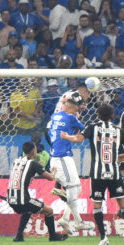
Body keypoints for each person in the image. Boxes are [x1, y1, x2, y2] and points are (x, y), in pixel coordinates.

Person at [60, 105, 124, 245]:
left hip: (97, 174)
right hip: (114, 173)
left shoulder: (93, 127)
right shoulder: (118, 130)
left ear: (97, 114)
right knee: (123, 203)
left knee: (97, 204)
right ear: (112, 115)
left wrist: (66, 136)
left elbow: (78, 139)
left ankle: (103, 237)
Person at [48, 97, 92, 234]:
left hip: (59, 157)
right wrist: (77, 117)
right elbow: (83, 130)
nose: (76, 112)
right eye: (75, 110)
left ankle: (65, 219)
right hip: (62, 158)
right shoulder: (71, 117)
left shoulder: (54, 116)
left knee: (77, 189)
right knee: (74, 188)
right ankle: (79, 222)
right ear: (70, 108)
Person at [8, 141, 68, 243]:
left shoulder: (16, 161)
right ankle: (53, 236)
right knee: (49, 211)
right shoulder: (33, 164)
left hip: (10, 199)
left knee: (27, 211)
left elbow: (25, 175)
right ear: (34, 151)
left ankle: (19, 236)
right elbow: (50, 178)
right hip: (23, 200)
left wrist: (38, 168)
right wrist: (53, 171)